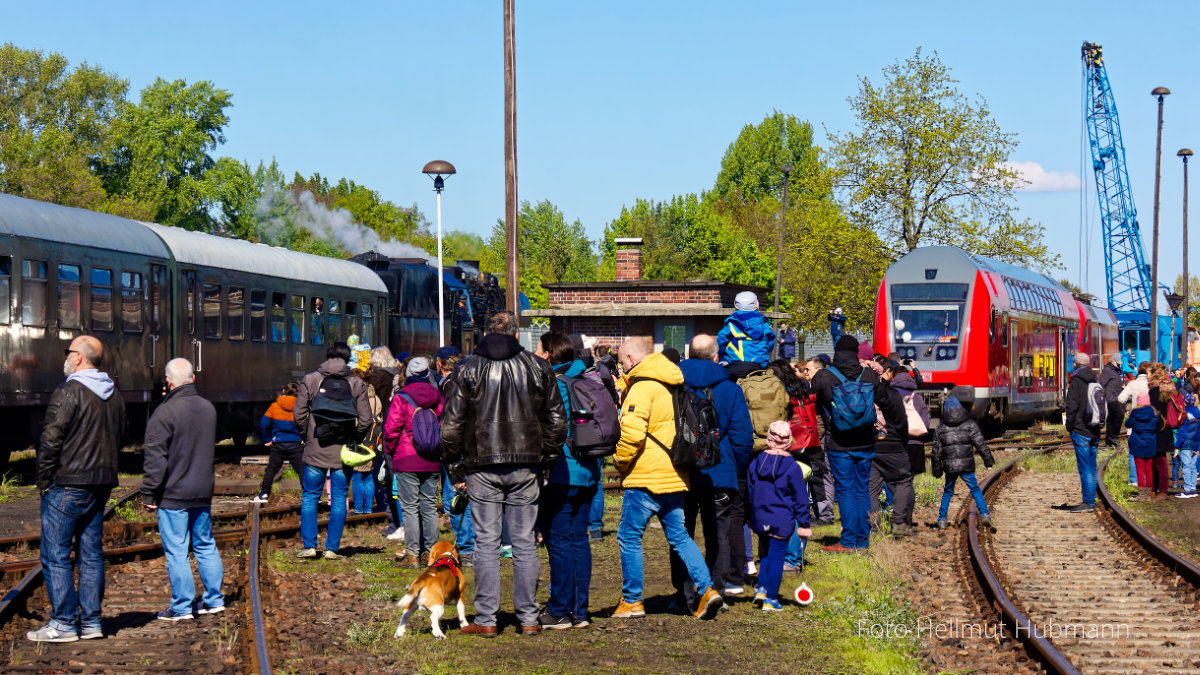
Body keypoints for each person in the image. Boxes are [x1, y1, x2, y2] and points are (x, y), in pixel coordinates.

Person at [441, 311, 568, 636]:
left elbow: (451, 425)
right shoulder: (538, 367)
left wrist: (455, 468)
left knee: (485, 541)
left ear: (486, 332)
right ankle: (527, 617)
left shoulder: (467, 368)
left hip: (481, 465)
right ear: (515, 333)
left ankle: (486, 619)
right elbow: (557, 420)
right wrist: (546, 460)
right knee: (524, 542)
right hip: (526, 464)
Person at [611, 337, 724, 621]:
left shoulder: (643, 386)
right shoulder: (673, 382)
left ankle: (632, 600)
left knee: (628, 537)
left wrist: (619, 461)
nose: (622, 367)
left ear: (632, 358)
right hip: (675, 474)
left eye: (623, 360)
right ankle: (707, 589)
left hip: (645, 477)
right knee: (680, 537)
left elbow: (632, 434)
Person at [29, 336, 125, 643]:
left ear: (80, 358)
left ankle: (64, 623)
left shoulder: (68, 392)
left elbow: (50, 440)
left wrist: (44, 480)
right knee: (91, 554)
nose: (66, 357)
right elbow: (120, 438)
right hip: (101, 484)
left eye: (69, 352)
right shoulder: (115, 396)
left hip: (67, 484)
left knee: (55, 554)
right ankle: (92, 622)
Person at [669, 334, 753, 608]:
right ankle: (715, 589)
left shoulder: (673, 385)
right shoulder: (730, 388)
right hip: (721, 469)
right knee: (718, 533)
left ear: (688, 354)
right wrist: (735, 468)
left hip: (681, 469)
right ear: (716, 357)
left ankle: (684, 593)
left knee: (681, 533)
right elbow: (742, 436)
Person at [141, 358, 224, 621]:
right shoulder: (208, 408)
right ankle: (214, 600)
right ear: (193, 379)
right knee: (205, 545)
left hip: (173, 493)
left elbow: (156, 458)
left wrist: (149, 493)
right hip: (202, 490)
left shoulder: (165, 412)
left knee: (177, 550)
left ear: (168, 382)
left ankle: (181, 607)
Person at [536, 332, 601, 629]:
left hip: (563, 473)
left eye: (538, 348)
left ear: (548, 354)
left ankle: (559, 610)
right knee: (578, 541)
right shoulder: (589, 378)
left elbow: (550, 429)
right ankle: (580, 611)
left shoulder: (554, 385)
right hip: (589, 473)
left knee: (559, 541)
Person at [810, 335, 898, 552]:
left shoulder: (824, 376)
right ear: (856, 352)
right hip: (866, 442)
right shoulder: (869, 374)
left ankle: (849, 541)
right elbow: (886, 400)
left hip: (838, 443)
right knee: (862, 490)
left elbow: (814, 402)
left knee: (846, 489)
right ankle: (863, 540)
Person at [294, 342, 373, 560]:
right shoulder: (356, 383)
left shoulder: (311, 379)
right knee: (339, 498)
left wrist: (306, 435)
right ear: (347, 359)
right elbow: (366, 419)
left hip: (315, 448)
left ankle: (309, 546)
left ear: (328, 356)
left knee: (310, 496)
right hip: (343, 453)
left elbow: (299, 413)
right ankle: (332, 549)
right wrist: (354, 439)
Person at [385, 356, 445, 566]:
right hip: (432, 458)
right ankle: (431, 553)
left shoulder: (401, 398)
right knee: (429, 506)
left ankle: (412, 555)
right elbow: (444, 424)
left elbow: (391, 429)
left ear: (408, 375)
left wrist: (392, 452)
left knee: (410, 508)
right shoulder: (437, 397)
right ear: (427, 374)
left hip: (407, 458)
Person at [747, 422, 812, 611]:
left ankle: (761, 589)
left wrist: (750, 515)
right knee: (776, 559)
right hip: (781, 518)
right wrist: (804, 524)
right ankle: (771, 599)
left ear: (769, 439)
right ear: (788, 441)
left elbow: (749, 492)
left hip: (760, 516)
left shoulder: (756, 462)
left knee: (765, 554)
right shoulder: (792, 467)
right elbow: (801, 498)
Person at [932, 387, 994, 529]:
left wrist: (937, 470)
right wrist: (988, 461)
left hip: (950, 467)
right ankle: (985, 515)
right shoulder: (970, 424)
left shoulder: (940, 428)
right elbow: (981, 444)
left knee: (948, 491)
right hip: (966, 466)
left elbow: (936, 452)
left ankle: (942, 520)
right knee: (975, 489)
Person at [435, 347, 473, 559]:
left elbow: (451, 424)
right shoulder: (471, 386)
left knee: (456, 499)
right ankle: (470, 544)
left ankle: (467, 547)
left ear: (440, 364)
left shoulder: (451, 386)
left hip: (457, 450)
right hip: (470, 447)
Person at [870, 366, 914, 537]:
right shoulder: (893, 395)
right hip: (895, 446)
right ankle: (898, 524)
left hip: (873, 447)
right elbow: (902, 423)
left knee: (872, 489)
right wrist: (902, 441)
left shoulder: (868, 394)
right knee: (903, 482)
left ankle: (874, 526)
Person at [366, 347, 401, 528]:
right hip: (394, 424)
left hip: (380, 426)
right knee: (388, 471)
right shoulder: (397, 374)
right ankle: (387, 508)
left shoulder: (377, 377)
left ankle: (386, 510)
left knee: (377, 470)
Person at [253, 382, 304, 503]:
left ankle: (264, 494)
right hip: (296, 444)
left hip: (278, 443)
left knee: (271, 469)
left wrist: (267, 439)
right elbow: (306, 425)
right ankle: (309, 495)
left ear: (284, 391)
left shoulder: (274, 406)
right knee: (302, 470)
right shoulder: (300, 407)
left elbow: (263, 424)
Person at [1063, 352, 1102, 513]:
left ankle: (1088, 502)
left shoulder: (1077, 381)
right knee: (1092, 467)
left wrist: (1070, 426)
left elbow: (1071, 407)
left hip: (1080, 430)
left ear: (1075, 365)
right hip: (1095, 429)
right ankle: (1090, 500)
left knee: (1085, 468)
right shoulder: (1096, 379)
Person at [800, 357, 834, 526]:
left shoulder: (819, 388)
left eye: (808, 369)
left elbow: (819, 418)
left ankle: (826, 515)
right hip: (818, 436)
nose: (805, 372)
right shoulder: (816, 385)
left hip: (819, 438)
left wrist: (815, 437)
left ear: (819, 370)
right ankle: (822, 513)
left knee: (822, 474)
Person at [717, 291, 775, 368]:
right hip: (760, 365)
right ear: (757, 305)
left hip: (735, 365)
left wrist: (722, 355)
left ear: (735, 306)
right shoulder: (764, 324)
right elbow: (771, 342)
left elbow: (720, 343)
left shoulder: (731, 324)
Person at [1127, 393, 1166, 501]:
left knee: (1140, 469)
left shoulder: (1135, 412)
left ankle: (1141, 495)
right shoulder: (1154, 413)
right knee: (1149, 469)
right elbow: (1159, 425)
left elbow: (1128, 424)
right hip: (1150, 444)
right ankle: (1148, 495)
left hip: (1137, 444)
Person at [1098, 354, 1125, 449]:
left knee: (1111, 419)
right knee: (1119, 416)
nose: (1119, 365)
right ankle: (1114, 436)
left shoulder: (1114, 371)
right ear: (1113, 361)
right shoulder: (1108, 371)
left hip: (1115, 397)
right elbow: (1101, 384)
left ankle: (1109, 441)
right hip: (1111, 399)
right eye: (1118, 363)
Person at [1174, 404, 1200, 499]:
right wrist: (1197, 447)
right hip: (1194, 445)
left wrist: (1177, 446)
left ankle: (1187, 490)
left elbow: (1182, 433)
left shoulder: (1185, 416)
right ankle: (1193, 489)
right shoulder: (1198, 416)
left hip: (1186, 446)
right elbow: (1198, 433)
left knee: (1186, 468)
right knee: (1193, 468)